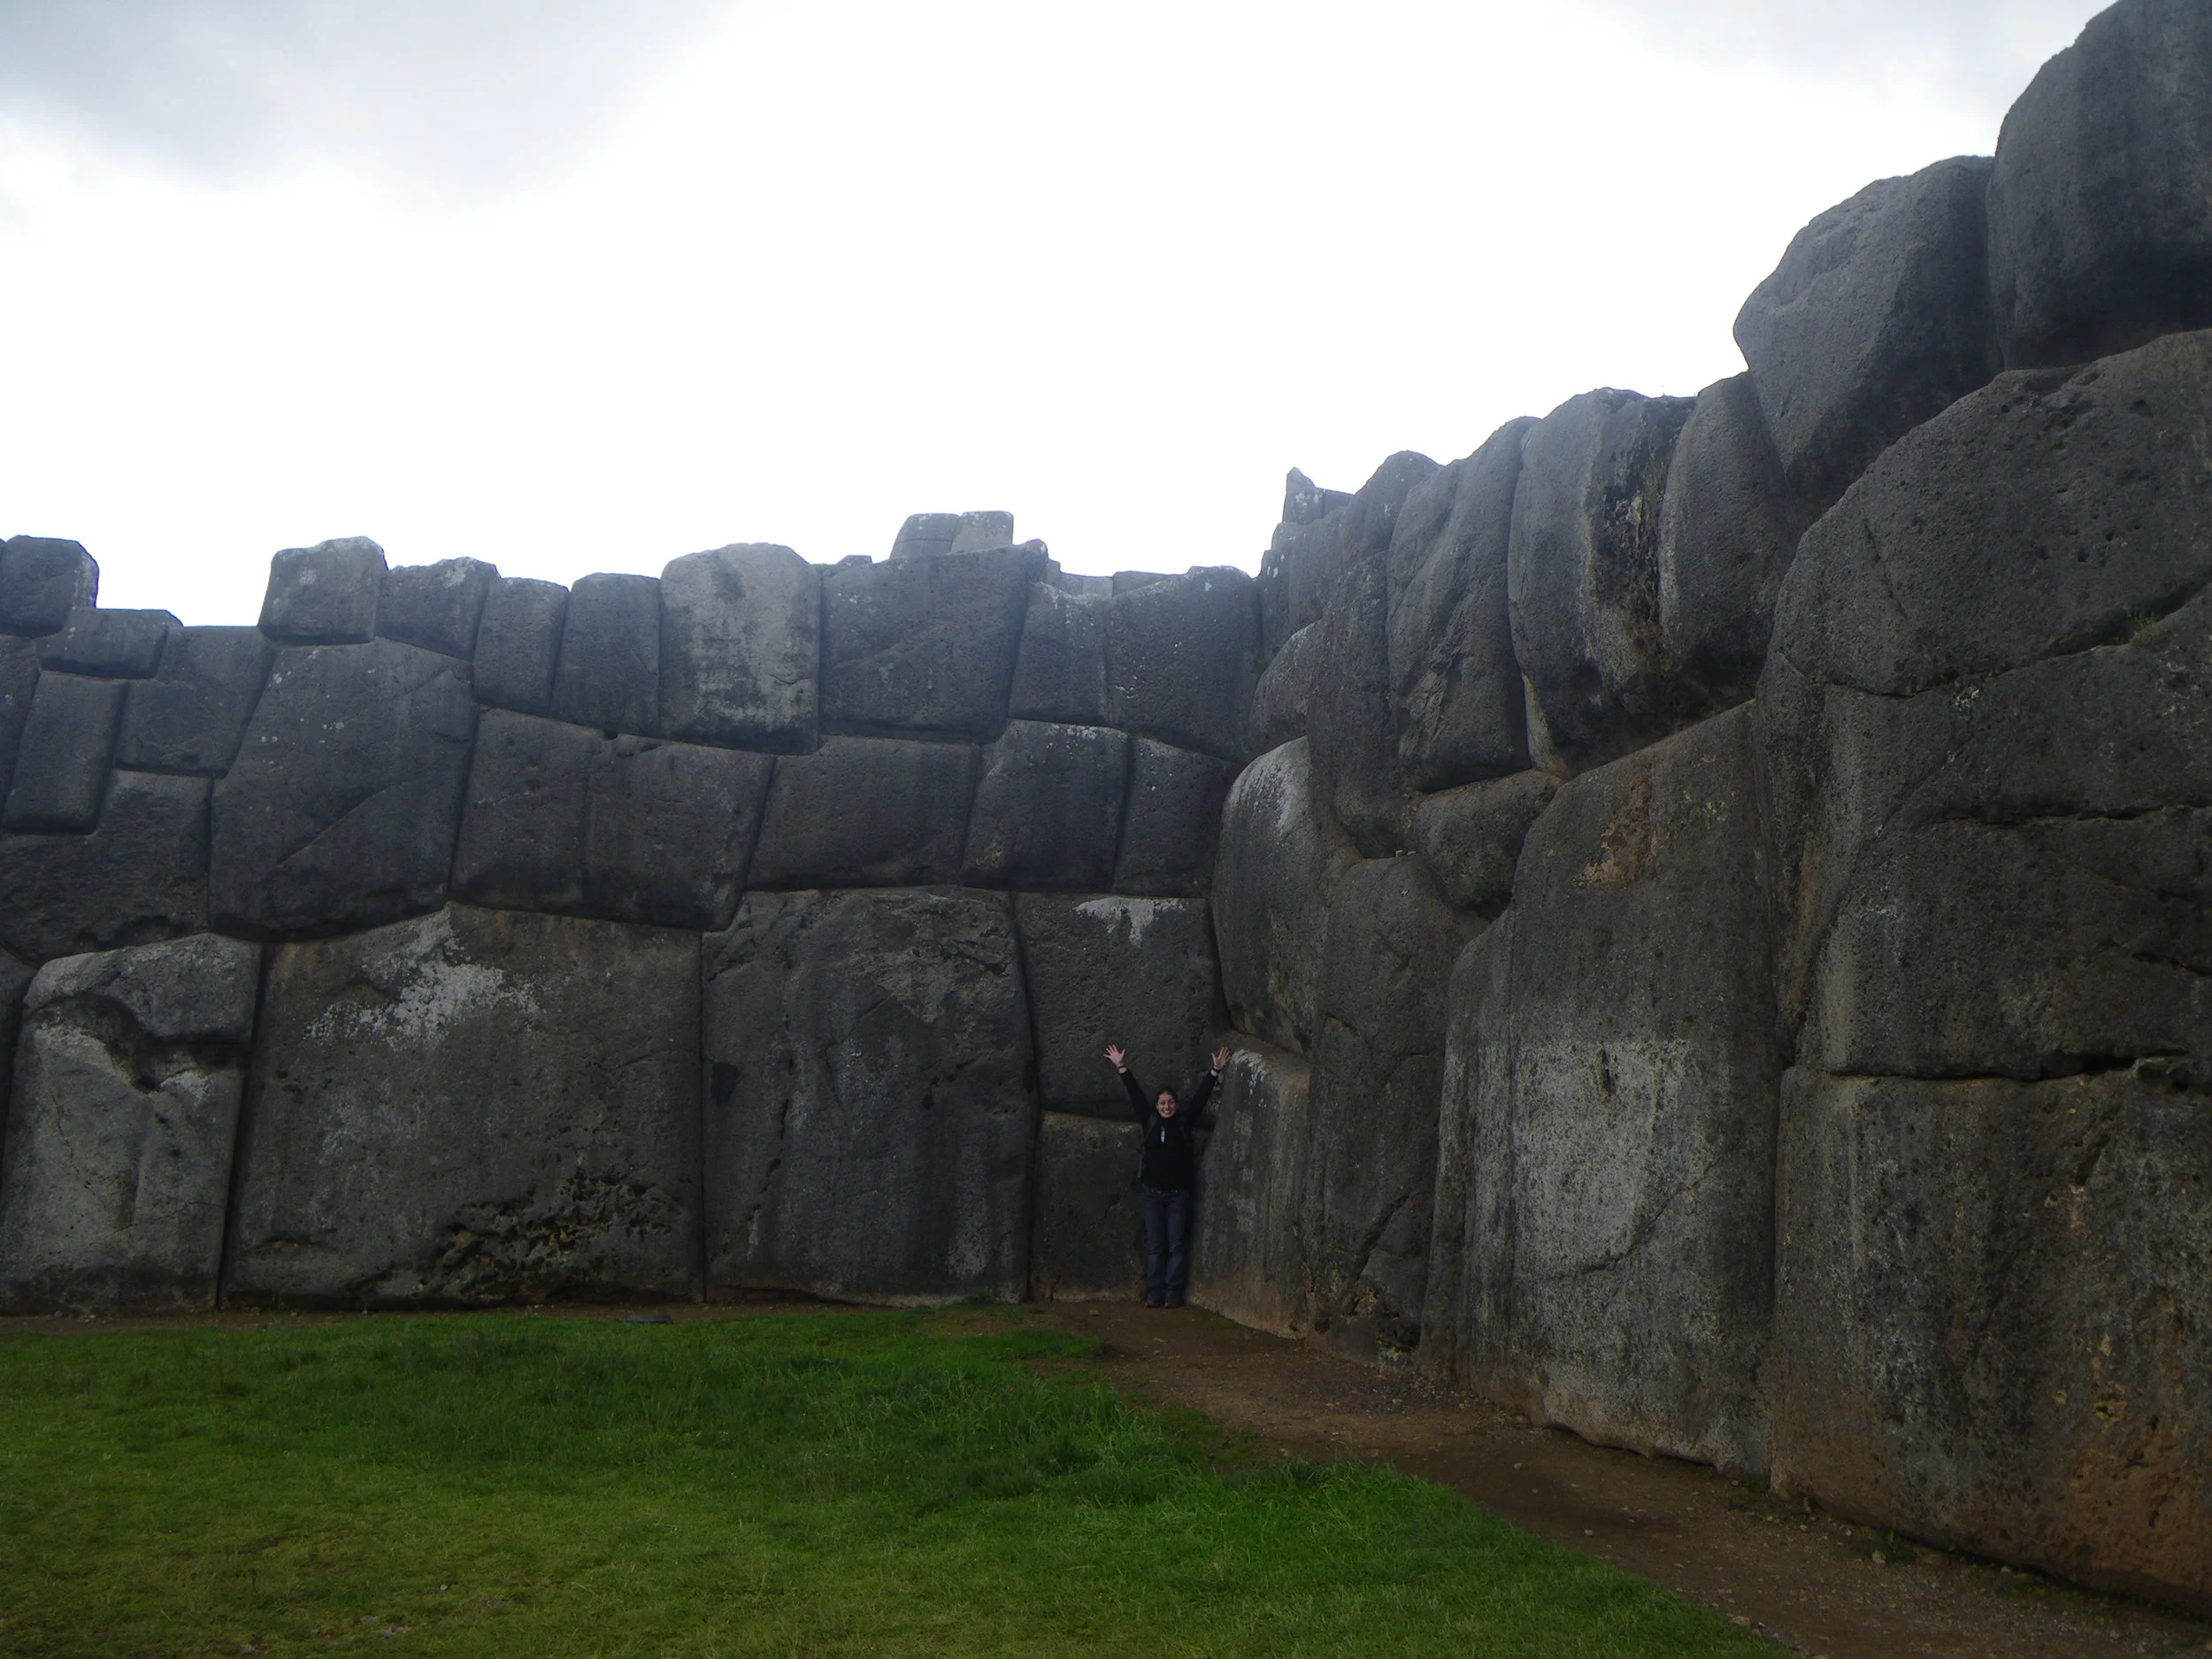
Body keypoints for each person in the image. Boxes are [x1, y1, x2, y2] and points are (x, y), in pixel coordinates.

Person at [1103, 1041, 1232, 1310]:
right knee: (1156, 1246)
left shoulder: (1184, 1124)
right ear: (1157, 1105)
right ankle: (1154, 1292)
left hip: (1177, 1196)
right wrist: (1122, 1067)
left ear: (1176, 1105)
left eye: (1171, 1103)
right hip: (1151, 1194)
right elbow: (1136, 1096)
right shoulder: (1149, 1122)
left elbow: (1199, 1100)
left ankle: (1173, 1293)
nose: (1167, 1107)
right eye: (1162, 1103)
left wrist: (1215, 1072)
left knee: (1175, 1246)